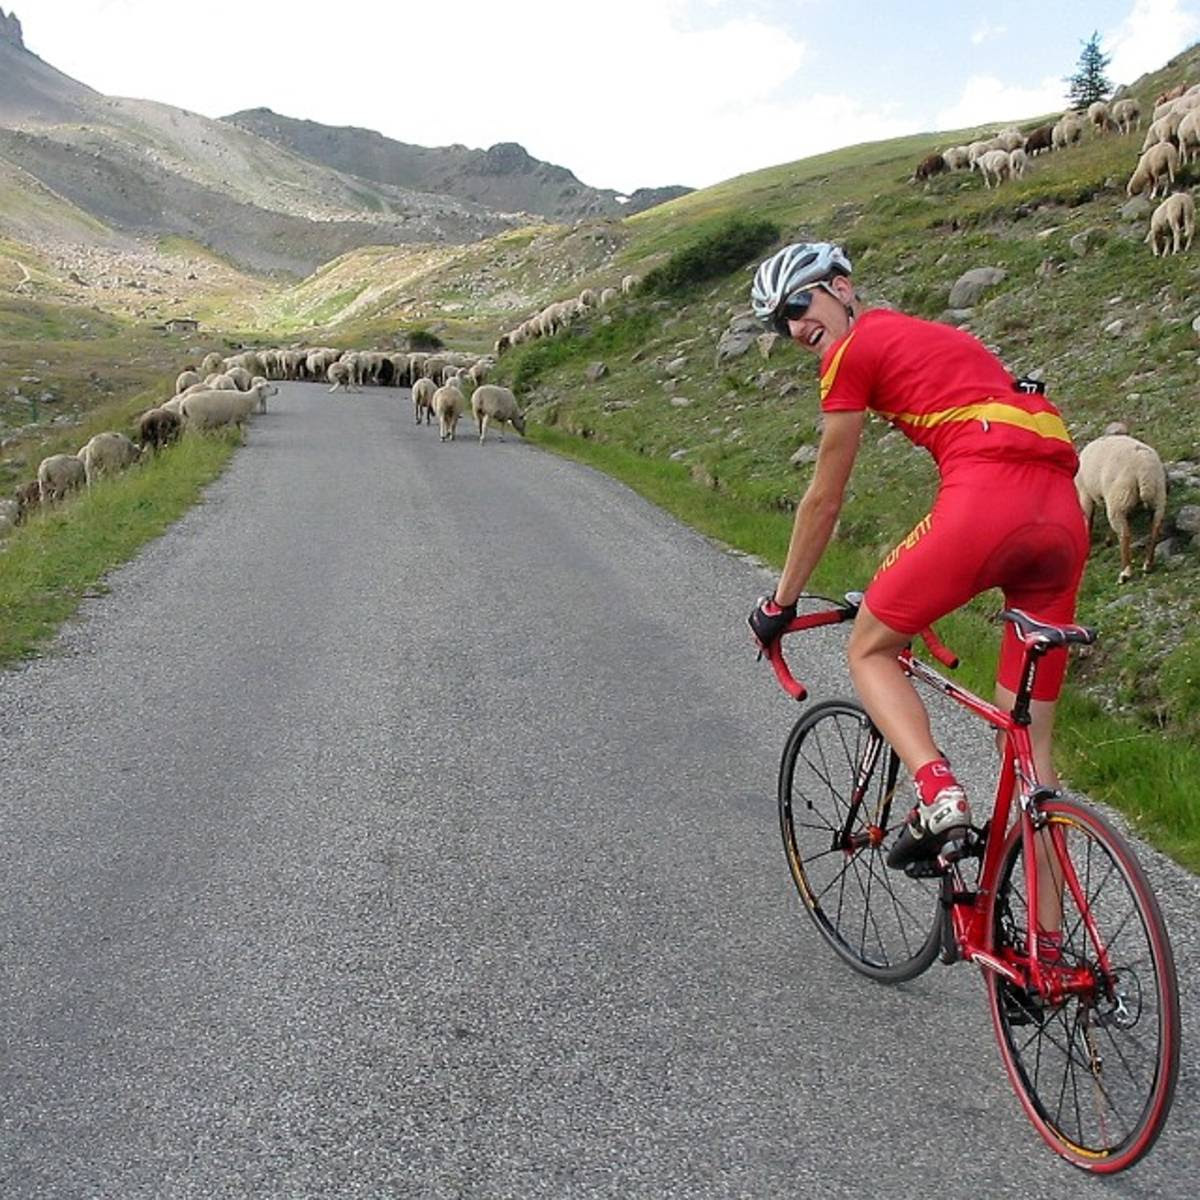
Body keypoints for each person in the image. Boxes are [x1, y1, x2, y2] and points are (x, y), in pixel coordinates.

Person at [747, 241, 1089, 874]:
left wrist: (780, 603)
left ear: (842, 289)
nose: (793, 327)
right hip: (1063, 520)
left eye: (799, 303)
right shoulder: (937, 337)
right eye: (779, 321)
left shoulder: (852, 353)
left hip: (985, 504)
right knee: (1031, 757)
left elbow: (824, 497)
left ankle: (939, 794)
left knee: (869, 648)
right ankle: (1050, 957)